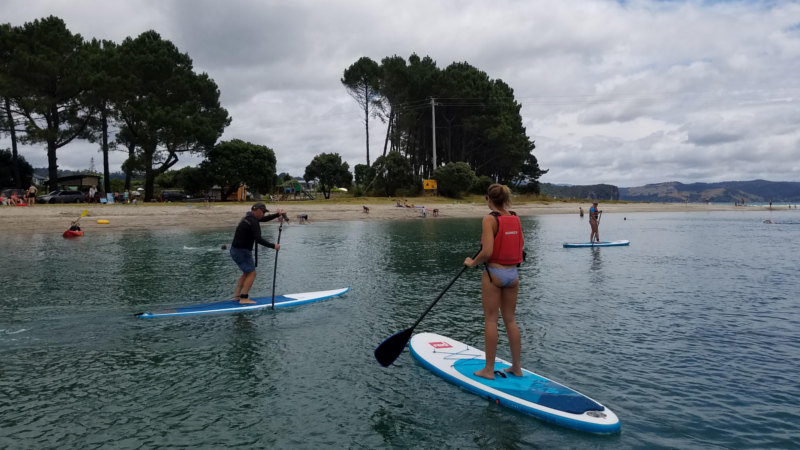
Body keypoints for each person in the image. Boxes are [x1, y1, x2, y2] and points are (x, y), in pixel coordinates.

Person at [463, 184, 525, 380]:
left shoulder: (489, 219)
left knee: (491, 319)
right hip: (513, 275)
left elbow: (488, 252)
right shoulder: (515, 217)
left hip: (494, 274)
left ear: (488, 199)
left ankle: (488, 370)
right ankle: (516, 367)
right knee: (511, 320)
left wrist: (472, 262)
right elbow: (520, 245)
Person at [229, 202, 286, 304]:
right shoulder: (253, 221)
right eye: (263, 212)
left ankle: (236, 296)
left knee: (247, 273)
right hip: (242, 251)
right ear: (258, 211)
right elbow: (258, 239)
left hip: (236, 250)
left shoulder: (249, 218)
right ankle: (244, 298)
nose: (263, 214)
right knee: (252, 273)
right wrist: (274, 246)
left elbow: (264, 219)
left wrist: (278, 214)